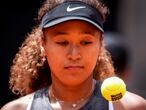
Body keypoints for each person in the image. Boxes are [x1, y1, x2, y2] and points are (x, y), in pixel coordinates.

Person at [1, 0, 146, 110]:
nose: (74, 55)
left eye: (85, 42)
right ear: (43, 44)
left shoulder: (133, 107)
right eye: (63, 42)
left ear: (100, 44)